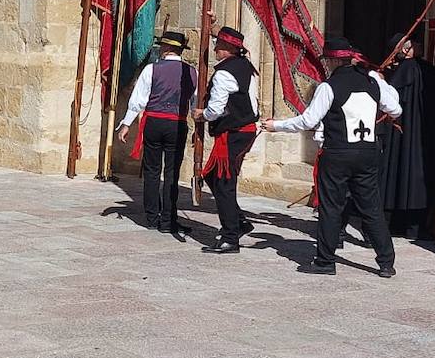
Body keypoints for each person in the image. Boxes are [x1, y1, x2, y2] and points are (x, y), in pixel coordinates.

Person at [264, 36, 402, 277]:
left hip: (337, 153)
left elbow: (308, 121)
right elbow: (396, 109)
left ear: (330, 62)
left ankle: (325, 261)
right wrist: (382, 82)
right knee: (371, 208)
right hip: (368, 152)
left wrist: (276, 125)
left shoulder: (328, 87)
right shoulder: (372, 82)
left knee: (330, 207)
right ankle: (386, 262)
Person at [379, 31, 435, 240]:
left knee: (398, 175)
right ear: (405, 50)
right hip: (414, 136)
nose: (418, 44)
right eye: (413, 43)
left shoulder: (400, 71)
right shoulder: (413, 68)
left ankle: (396, 223)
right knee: (413, 176)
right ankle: (412, 227)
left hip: (402, 137)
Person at [117, 30, 197, 235]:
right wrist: (198, 128)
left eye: (162, 46)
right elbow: (195, 103)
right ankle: (168, 219)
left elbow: (138, 100)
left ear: (167, 48)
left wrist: (126, 124)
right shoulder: (192, 72)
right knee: (172, 173)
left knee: (152, 171)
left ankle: (152, 217)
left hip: (154, 123)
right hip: (177, 125)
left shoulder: (152, 69)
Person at [196, 21, 260, 254]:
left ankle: (230, 237)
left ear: (228, 48)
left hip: (233, 133)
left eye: (219, 44)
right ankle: (239, 221)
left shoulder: (224, 72)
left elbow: (216, 108)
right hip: (243, 130)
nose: (215, 48)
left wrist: (202, 114)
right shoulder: (246, 65)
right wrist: (213, 28)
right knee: (214, 177)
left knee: (223, 182)